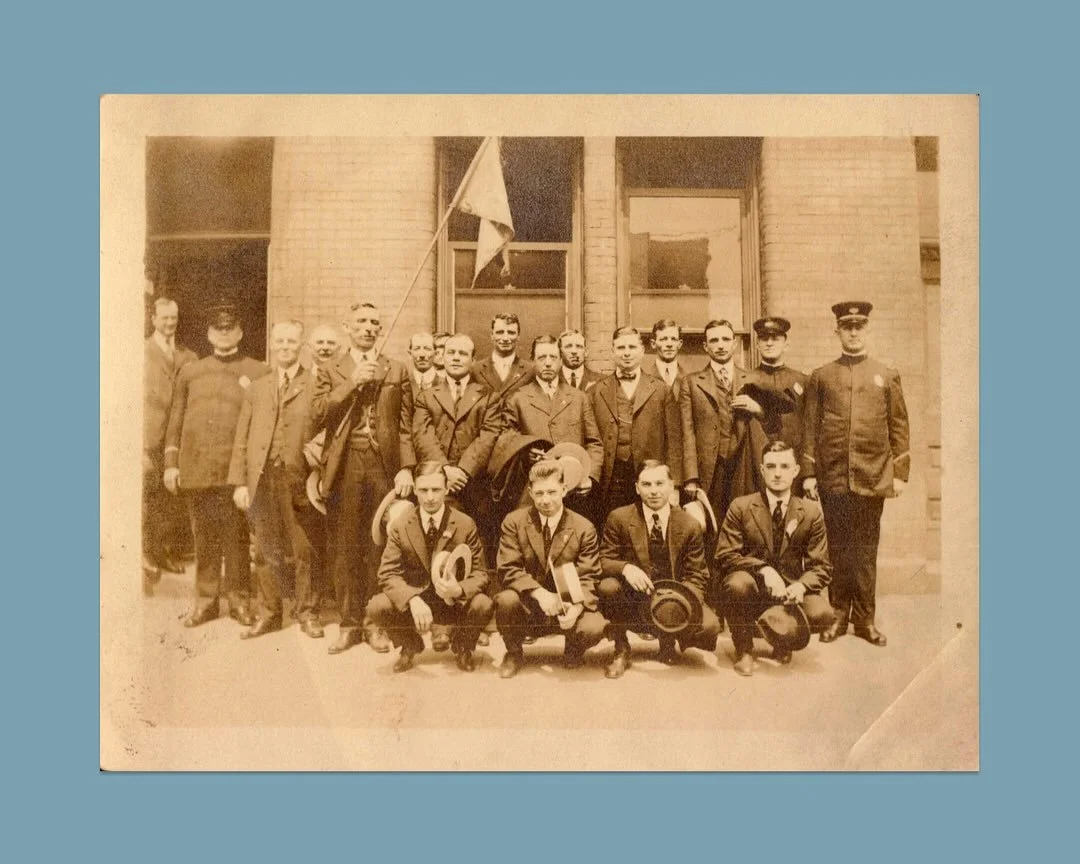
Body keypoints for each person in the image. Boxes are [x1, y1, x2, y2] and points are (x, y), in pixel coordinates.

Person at [802, 301, 910, 647]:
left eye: (858, 327)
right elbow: (809, 428)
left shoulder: (886, 374)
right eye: (846, 327)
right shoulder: (822, 376)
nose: (852, 332)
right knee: (836, 548)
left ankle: (865, 620)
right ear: (837, 332)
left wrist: (901, 473)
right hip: (833, 476)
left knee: (865, 550)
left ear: (867, 330)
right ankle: (837, 616)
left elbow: (899, 425)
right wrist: (808, 473)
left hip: (872, 476)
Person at [314, 301, 416, 655]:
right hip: (345, 467)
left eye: (375, 321)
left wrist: (405, 467)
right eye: (361, 321)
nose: (369, 327)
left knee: (379, 546)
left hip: (383, 467)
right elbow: (317, 414)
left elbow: (405, 426)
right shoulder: (331, 369)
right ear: (347, 326)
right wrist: (352, 383)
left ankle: (375, 622)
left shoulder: (396, 369)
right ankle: (349, 624)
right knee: (345, 547)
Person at [163, 300, 269, 628]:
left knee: (237, 537)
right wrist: (171, 463)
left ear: (240, 331)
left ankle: (239, 600)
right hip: (197, 469)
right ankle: (206, 601)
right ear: (209, 333)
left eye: (230, 327)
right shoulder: (191, 371)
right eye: (217, 328)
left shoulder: (257, 371)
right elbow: (175, 418)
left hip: (235, 473)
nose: (224, 334)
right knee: (204, 536)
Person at [228, 321, 328, 639]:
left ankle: (307, 612)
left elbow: (329, 428)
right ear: (272, 344)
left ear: (301, 345)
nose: (285, 347)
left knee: (304, 549)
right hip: (262, 478)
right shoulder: (258, 387)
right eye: (280, 341)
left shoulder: (315, 384)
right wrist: (240, 483)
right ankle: (270, 612)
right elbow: (242, 437)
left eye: (292, 342)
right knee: (264, 549)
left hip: (299, 479)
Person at [716, 440, 835, 676]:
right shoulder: (741, 506)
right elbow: (725, 555)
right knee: (736, 584)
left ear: (795, 471)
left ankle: (784, 639)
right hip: (753, 590)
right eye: (771, 467)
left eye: (784, 466)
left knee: (824, 613)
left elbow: (821, 566)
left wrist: (801, 586)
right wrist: (764, 570)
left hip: (790, 594)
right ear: (762, 470)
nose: (777, 474)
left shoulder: (810, 512)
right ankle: (744, 649)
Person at [366, 462, 493, 672]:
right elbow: (387, 573)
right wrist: (412, 599)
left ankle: (463, 647)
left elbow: (481, 574)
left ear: (447, 489)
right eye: (423, 490)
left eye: (436, 489)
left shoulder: (464, 523)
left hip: (452, 602)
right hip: (416, 603)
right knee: (376, 607)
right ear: (415, 490)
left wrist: (459, 590)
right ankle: (410, 645)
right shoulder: (400, 525)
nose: (430, 497)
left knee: (483, 604)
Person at [598, 461, 719, 678]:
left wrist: (679, 606)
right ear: (637, 488)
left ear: (672, 486)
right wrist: (626, 568)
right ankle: (621, 648)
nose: (653, 491)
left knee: (709, 626)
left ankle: (668, 641)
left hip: (671, 599)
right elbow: (604, 560)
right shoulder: (619, 518)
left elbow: (698, 575)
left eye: (659, 483)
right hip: (633, 599)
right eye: (646, 484)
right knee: (608, 587)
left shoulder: (689, 524)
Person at [494, 460, 610, 678]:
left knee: (593, 626)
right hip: (530, 603)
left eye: (552, 492)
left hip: (567, 602)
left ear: (564, 490)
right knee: (506, 601)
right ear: (530, 492)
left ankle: (573, 648)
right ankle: (514, 652)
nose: (545, 500)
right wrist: (540, 594)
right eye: (538, 493)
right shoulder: (514, 521)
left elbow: (589, 576)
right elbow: (508, 568)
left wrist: (575, 609)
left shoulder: (583, 527)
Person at [501, 335, 604, 514]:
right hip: (534, 491)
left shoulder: (579, 398)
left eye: (553, 358)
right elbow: (506, 439)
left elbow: (594, 443)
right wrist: (525, 451)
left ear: (560, 360)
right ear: (533, 360)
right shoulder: (518, 398)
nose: (548, 363)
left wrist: (589, 477)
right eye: (542, 357)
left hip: (573, 489)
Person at [411, 332, 502, 531]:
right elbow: (422, 435)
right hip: (439, 483)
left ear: (473, 360)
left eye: (462, 353)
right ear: (442, 357)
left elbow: (489, 436)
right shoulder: (426, 397)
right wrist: (444, 470)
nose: (456, 357)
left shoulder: (488, 396)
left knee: (476, 542)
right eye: (451, 352)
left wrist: (463, 471)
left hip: (475, 484)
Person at [590, 326, 683, 517]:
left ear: (642, 351)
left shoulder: (661, 390)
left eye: (632, 347)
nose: (626, 353)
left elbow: (674, 442)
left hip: (650, 478)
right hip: (611, 478)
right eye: (621, 348)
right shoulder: (596, 391)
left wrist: (675, 486)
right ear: (613, 352)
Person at [143, 297, 197, 589]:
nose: (169, 323)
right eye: (164, 318)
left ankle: (164, 553)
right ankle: (145, 554)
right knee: (146, 495)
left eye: (173, 318)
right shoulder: (140, 351)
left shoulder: (189, 355)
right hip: (148, 436)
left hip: (175, 439)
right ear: (153, 319)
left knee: (168, 498)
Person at [680, 319, 749, 519]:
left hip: (742, 464)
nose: (720, 345)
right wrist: (691, 477)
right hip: (710, 467)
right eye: (714, 340)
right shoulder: (691, 382)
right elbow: (687, 432)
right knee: (712, 524)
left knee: (744, 520)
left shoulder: (751, 378)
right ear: (705, 346)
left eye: (726, 339)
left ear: (734, 344)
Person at [471, 313, 532, 407]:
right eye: (500, 332)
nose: (505, 338)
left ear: (518, 336)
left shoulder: (530, 370)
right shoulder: (475, 369)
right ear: (492, 335)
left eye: (511, 333)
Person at [642, 318, 698, 392]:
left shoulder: (690, 377)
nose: (669, 344)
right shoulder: (643, 376)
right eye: (663, 339)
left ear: (680, 344)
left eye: (674, 339)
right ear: (653, 344)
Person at [407, 331, 439, 396]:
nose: (422, 355)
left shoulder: (447, 384)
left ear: (435, 354)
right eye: (417, 349)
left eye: (427, 349)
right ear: (410, 354)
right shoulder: (404, 383)